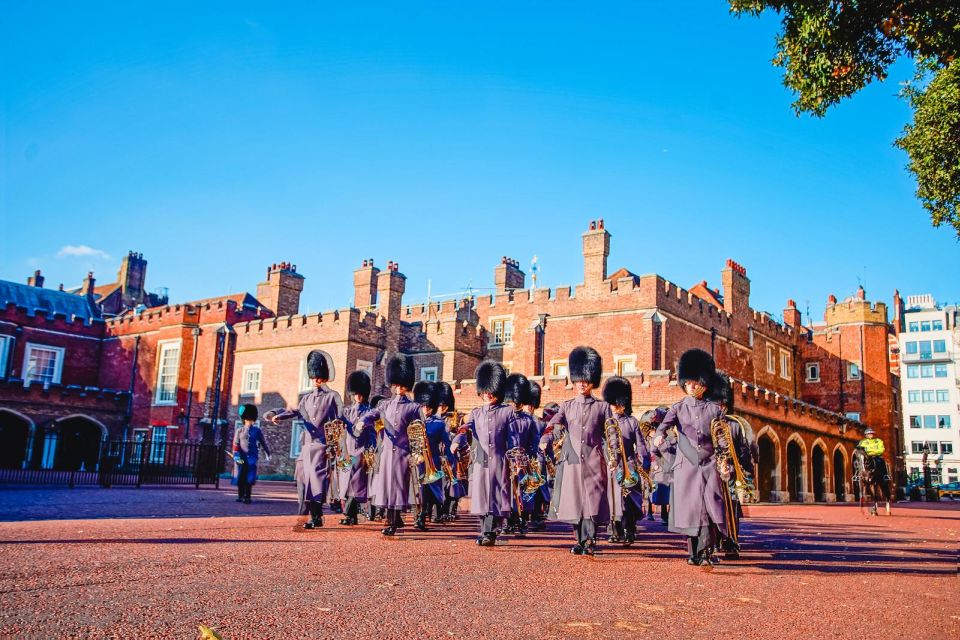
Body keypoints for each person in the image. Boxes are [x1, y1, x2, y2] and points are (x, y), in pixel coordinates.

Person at [653, 349, 729, 566]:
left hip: (709, 464)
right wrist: (659, 438)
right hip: (686, 465)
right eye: (688, 383)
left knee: (708, 508)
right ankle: (693, 552)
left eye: (695, 383)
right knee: (691, 510)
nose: (691, 386)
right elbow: (662, 428)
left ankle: (705, 553)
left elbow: (722, 440)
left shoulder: (714, 410)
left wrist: (724, 463)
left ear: (704, 383)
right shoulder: (677, 408)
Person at [540, 346, 612, 556]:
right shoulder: (567, 405)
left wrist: (614, 454)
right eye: (578, 379)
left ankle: (590, 540)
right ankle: (579, 540)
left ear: (592, 380)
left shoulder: (602, 407)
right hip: (571, 460)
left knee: (592, 501)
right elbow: (553, 424)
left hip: (593, 459)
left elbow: (612, 433)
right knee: (575, 502)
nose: (581, 383)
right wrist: (545, 438)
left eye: (585, 379)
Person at [267, 351, 340, 529]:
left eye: (320, 378)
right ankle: (312, 515)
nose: (316, 381)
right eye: (314, 378)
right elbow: (295, 411)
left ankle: (313, 517)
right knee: (302, 481)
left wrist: (334, 444)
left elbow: (339, 420)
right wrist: (280, 417)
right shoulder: (306, 398)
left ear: (325, 378)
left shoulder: (333, 397)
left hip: (321, 445)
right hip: (306, 445)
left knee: (315, 481)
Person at [451, 360, 519, 547]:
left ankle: (490, 532)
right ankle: (485, 531)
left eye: (491, 390)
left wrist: (516, 458)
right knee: (482, 499)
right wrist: (457, 441)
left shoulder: (507, 412)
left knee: (495, 498)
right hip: (481, 461)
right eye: (485, 390)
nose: (488, 394)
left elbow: (513, 438)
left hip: (499, 460)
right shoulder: (476, 413)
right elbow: (465, 428)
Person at [369, 354, 420, 536]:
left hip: (403, 453)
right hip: (386, 453)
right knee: (386, 486)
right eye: (396, 385)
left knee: (397, 487)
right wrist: (362, 421)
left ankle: (392, 521)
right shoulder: (384, 404)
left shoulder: (414, 408)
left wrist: (417, 452)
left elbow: (418, 431)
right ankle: (394, 519)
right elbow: (373, 414)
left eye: (402, 385)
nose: (398, 388)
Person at [602, 376, 650, 545]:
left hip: (629, 465)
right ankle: (615, 532)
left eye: (619, 403)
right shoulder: (606, 423)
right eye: (614, 403)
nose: (616, 407)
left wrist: (645, 464)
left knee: (629, 501)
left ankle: (629, 530)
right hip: (611, 466)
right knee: (613, 500)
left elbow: (641, 445)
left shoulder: (632, 422)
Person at [411, 381, 452, 530]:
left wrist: (450, 461)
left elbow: (446, 444)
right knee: (417, 491)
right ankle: (417, 516)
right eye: (423, 406)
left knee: (427, 492)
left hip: (432, 462)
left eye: (428, 406)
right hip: (416, 461)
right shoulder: (413, 422)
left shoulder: (439, 423)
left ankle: (422, 518)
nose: (425, 409)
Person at [338, 371, 376, 526]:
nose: (358, 397)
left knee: (356, 484)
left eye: (360, 394)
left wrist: (371, 449)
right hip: (346, 451)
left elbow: (372, 434)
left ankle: (349, 514)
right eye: (356, 394)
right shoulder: (346, 411)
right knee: (345, 485)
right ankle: (351, 515)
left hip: (360, 452)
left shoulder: (368, 411)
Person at [504, 372, 538, 537]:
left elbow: (534, 443)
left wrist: (528, 463)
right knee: (508, 493)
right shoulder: (504, 418)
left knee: (524, 494)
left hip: (524, 462)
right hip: (506, 461)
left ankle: (523, 522)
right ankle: (508, 522)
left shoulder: (529, 420)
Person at [522, 380, 549, 531]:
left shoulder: (538, 423)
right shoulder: (533, 421)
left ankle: (534, 517)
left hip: (534, 460)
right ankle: (529, 518)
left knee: (535, 490)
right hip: (528, 460)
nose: (529, 407)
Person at [232, 404, 271, 504]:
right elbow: (236, 445)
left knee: (250, 476)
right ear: (244, 419)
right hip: (241, 456)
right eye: (247, 419)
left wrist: (268, 453)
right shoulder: (239, 431)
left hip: (252, 457)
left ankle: (247, 496)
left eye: (250, 419)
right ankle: (240, 495)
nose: (249, 421)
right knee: (241, 476)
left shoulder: (257, 431)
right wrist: (236, 456)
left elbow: (263, 442)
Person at [643, 407, 671, 524]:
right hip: (652, 460)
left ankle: (664, 513)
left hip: (662, 460)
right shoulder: (649, 429)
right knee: (649, 487)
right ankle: (649, 511)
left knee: (664, 486)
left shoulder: (666, 430)